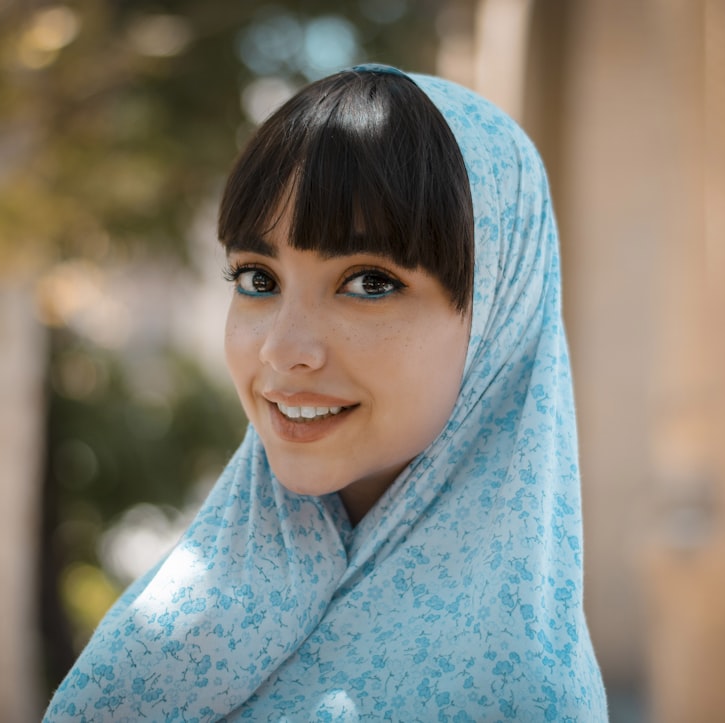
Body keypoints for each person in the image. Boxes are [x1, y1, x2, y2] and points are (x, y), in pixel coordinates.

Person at [44, 64, 608, 721]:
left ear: (497, 317)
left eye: (368, 282)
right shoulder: (195, 604)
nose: (284, 350)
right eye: (257, 278)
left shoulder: (510, 699)